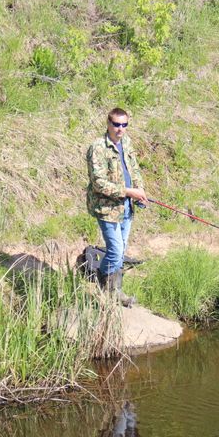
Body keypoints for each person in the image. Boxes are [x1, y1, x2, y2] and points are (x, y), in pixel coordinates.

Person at [86, 107, 148, 307]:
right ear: (108, 124)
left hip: (127, 207)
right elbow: (99, 183)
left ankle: (114, 291)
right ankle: (105, 287)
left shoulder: (127, 143)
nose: (120, 129)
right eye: (116, 124)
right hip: (106, 208)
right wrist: (129, 192)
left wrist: (140, 192)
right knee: (115, 249)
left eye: (124, 125)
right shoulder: (97, 147)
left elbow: (134, 169)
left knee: (120, 252)